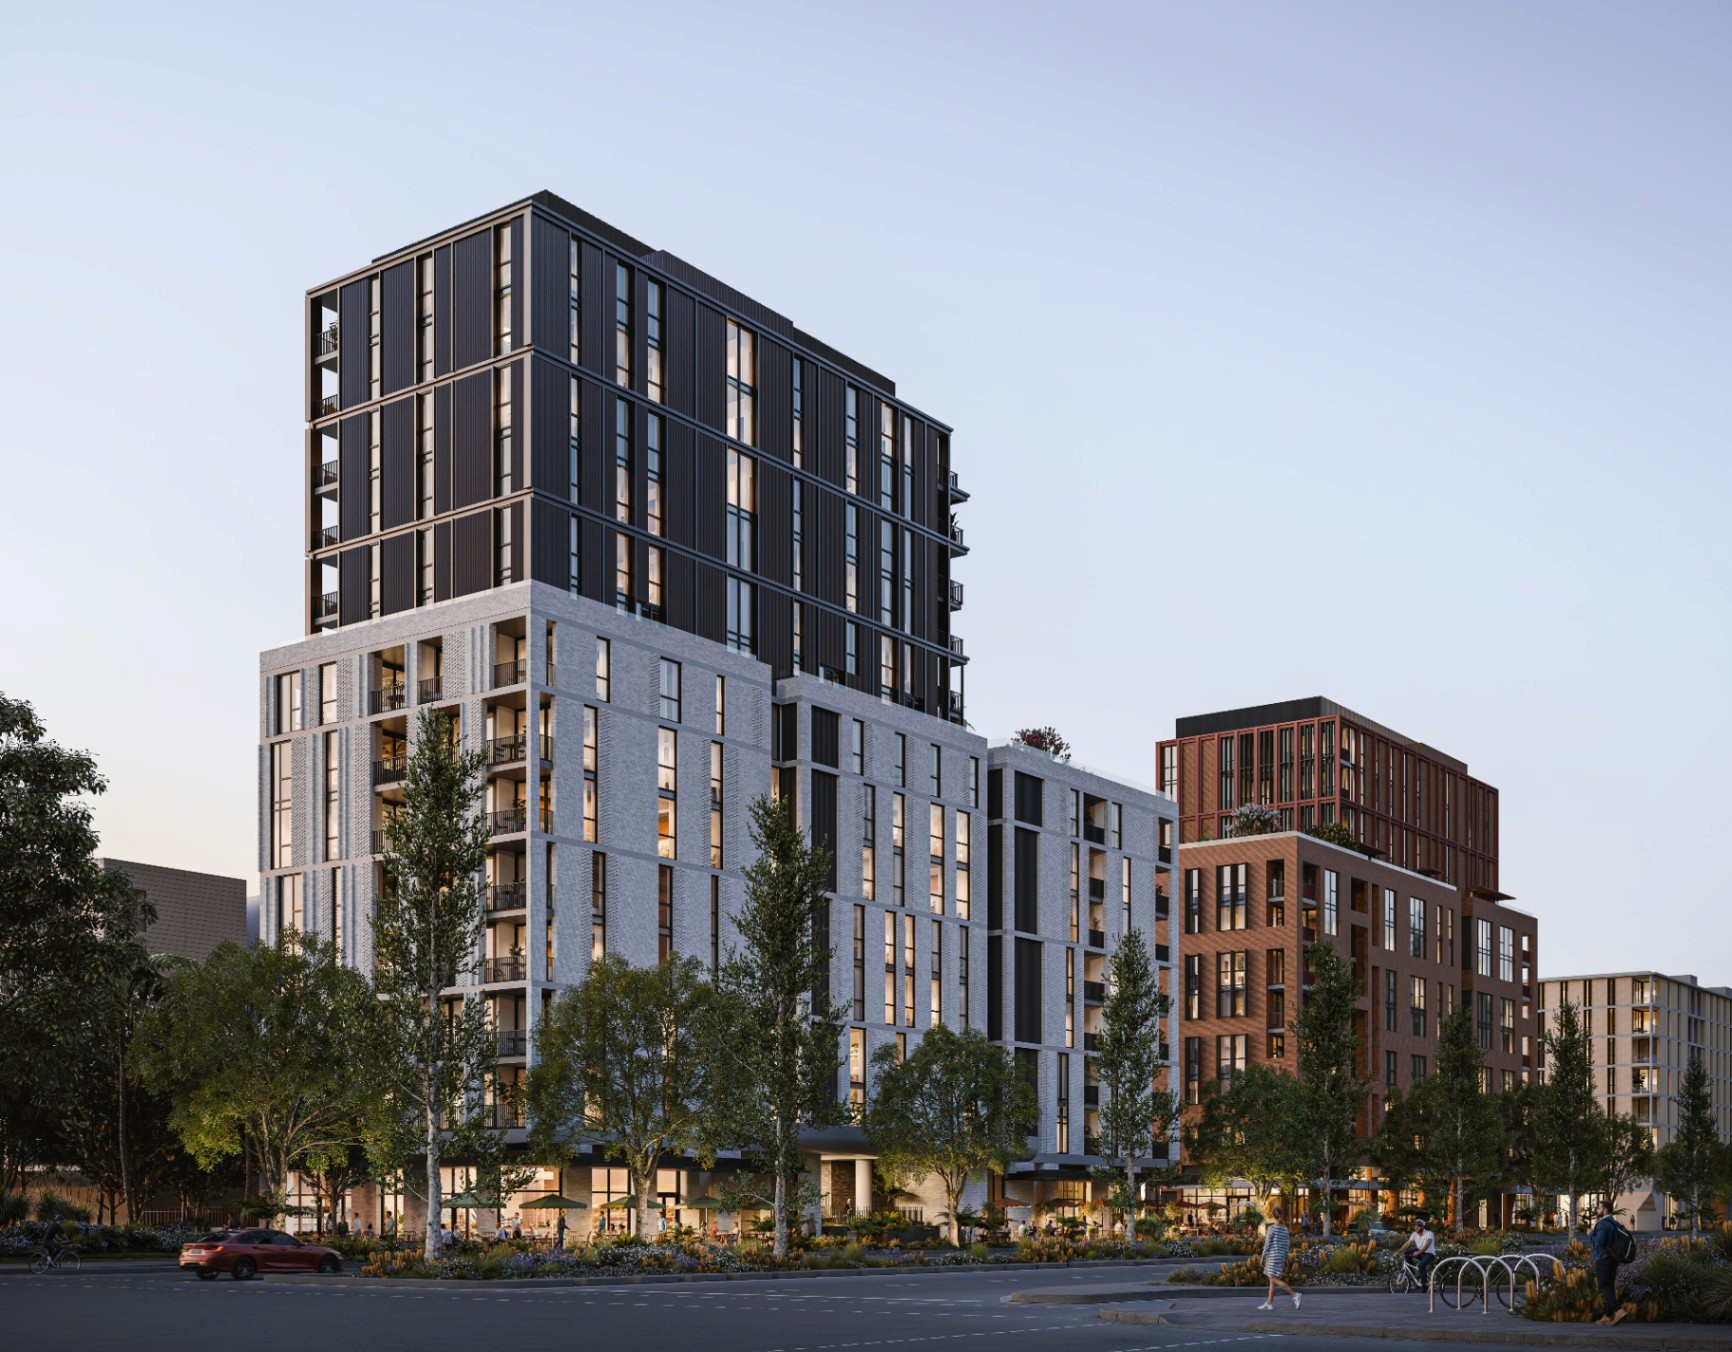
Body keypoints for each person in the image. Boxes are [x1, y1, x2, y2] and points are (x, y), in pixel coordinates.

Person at [1589, 1200, 1629, 1326]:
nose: (1597, 1210)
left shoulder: (1602, 1224)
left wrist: (1590, 1234)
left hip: (1603, 1258)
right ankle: (1607, 1315)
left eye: (1599, 1208)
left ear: (1605, 1210)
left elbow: (1600, 1241)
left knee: (1603, 1286)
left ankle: (1618, 1310)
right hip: (1613, 1258)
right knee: (1609, 1286)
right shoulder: (1613, 1222)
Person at [1255, 1207, 1300, 1312]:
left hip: (1272, 1257)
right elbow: (1286, 1245)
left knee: (1274, 1279)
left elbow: (1267, 1244)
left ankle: (1294, 1295)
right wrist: (1286, 1258)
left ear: (1273, 1216)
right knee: (1272, 1281)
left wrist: (1263, 1257)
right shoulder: (1285, 1229)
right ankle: (1269, 1303)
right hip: (1280, 1257)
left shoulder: (1272, 1228)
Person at [1395, 1217, 1436, 1291]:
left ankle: (1424, 1286)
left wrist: (1418, 1252)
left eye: (1418, 1226)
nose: (1416, 1227)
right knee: (1407, 1253)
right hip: (1420, 1252)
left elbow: (1427, 1245)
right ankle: (1412, 1270)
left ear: (1423, 1227)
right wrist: (1398, 1252)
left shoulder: (1429, 1234)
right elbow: (1407, 1244)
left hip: (1429, 1254)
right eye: (1415, 1226)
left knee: (1421, 1265)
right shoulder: (1414, 1234)